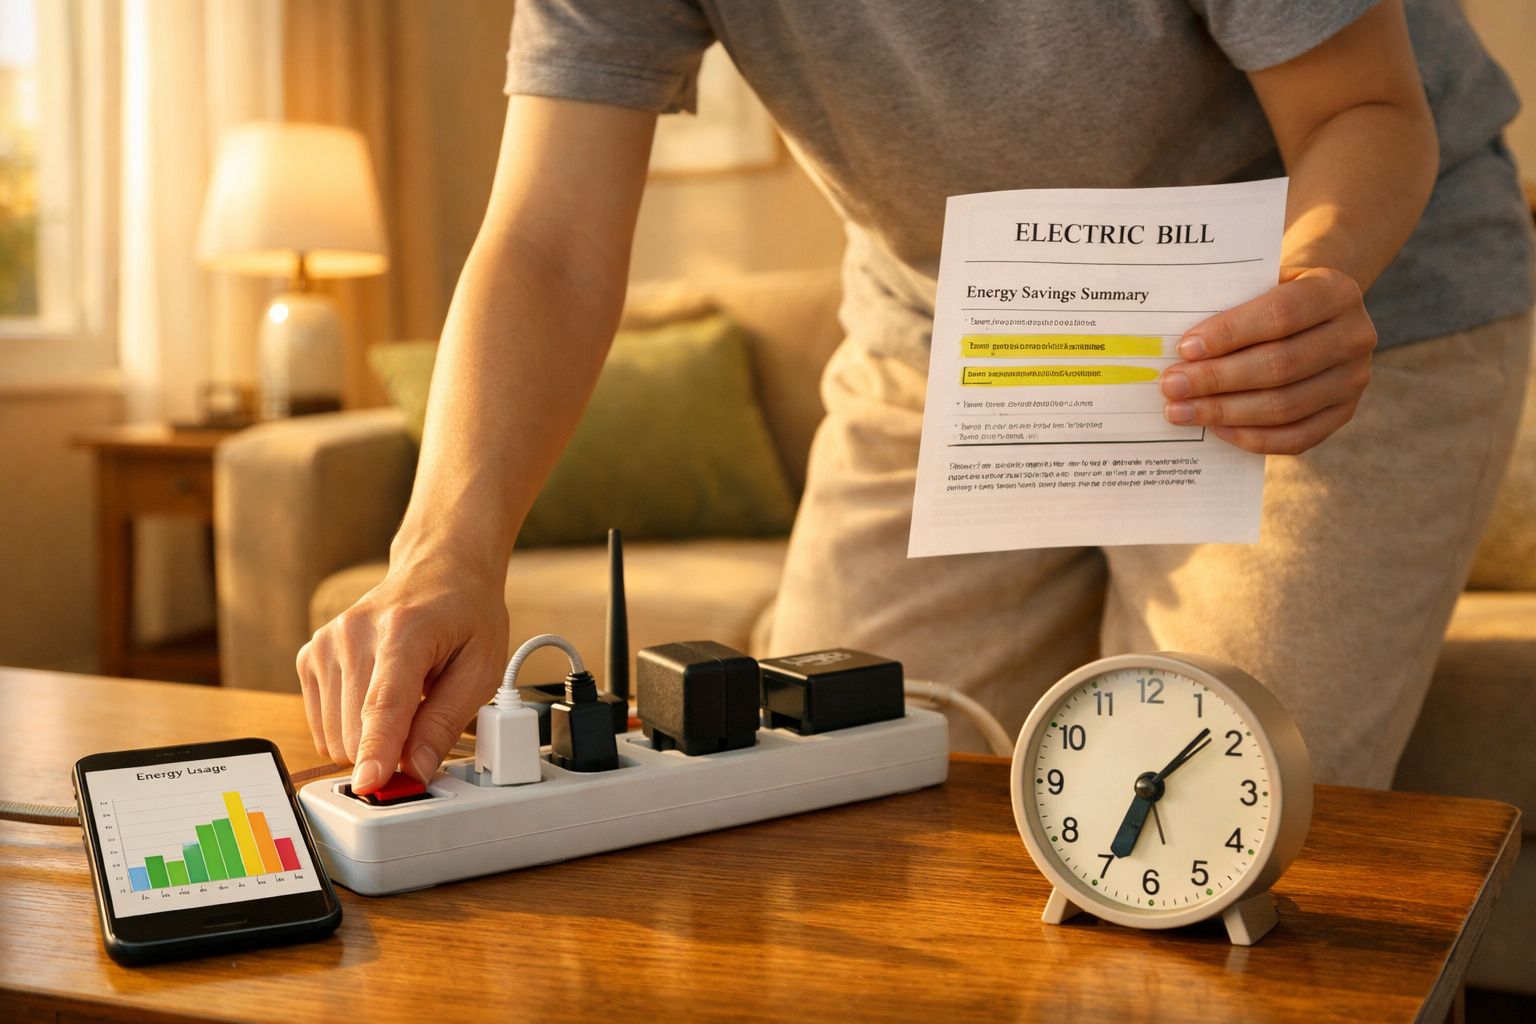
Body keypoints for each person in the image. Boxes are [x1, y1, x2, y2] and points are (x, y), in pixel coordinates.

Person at [297, 0, 1533, 795]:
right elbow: (552, 238)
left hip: (1324, 299)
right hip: (952, 324)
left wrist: (1315, 284)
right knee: (810, 800)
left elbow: (1364, 108)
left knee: (1188, 819)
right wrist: (442, 547)